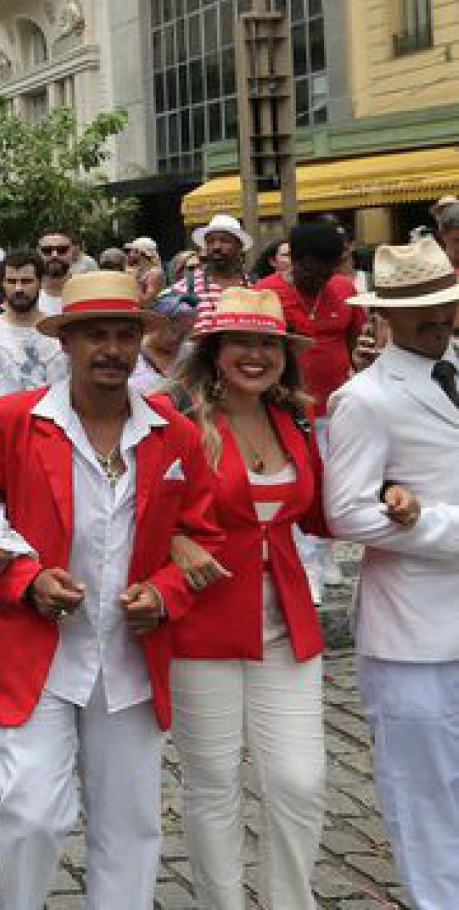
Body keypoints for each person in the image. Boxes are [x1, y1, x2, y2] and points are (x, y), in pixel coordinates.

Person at [0, 271, 222, 910]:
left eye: (125, 335)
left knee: (131, 824)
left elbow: (201, 534)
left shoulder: (170, 432)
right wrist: (26, 577)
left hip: (126, 658)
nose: (113, 349)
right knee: (33, 813)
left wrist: (167, 594)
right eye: (96, 334)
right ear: (65, 342)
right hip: (39, 655)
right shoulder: (13, 421)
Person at [155, 288, 331, 910]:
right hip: (203, 627)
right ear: (214, 351)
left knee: (299, 781)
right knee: (212, 787)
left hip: (287, 625)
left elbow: (321, 510)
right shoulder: (171, 417)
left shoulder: (294, 418)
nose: (255, 355)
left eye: (268, 344)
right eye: (241, 342)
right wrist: (174, 539)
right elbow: (127, 500)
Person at [323, 235, 459, 907]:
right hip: (412, 637)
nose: (439, 319)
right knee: (424, 797)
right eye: (423, 310)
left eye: (447, 304)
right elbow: (346, 513)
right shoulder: (365, 398)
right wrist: (442, 528)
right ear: (386, 316)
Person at [260, 219, 367, 597]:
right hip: (288, 410)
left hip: (338, 410)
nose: (325, 277)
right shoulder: (267, 294)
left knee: (333, 487)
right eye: (317, 268)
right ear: (296, 261)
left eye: (332, 268)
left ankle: (325, 556)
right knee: (300, 488)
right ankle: (305, 566)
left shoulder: (343, 290)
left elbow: (358, 346)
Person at [0, 250, 67, 419]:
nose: (18, 288)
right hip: (4, 436)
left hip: (54, 433)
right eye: (12, 281)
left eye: (26, 281)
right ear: (3, 284)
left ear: (40, 282)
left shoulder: (60, 332)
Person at [182, 214, 254, 320]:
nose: (216, 247)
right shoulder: (186, 287)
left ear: (240, 246)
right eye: (210, 242)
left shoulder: (254, 286)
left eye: (224, 241)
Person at [129, 290, 199, 395]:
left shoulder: (191, 354)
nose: (175, 338)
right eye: (172, 329)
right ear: (155, 323)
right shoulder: (131, 353)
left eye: (184, 333)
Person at [35, 232, 77, 315]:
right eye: (47, 250)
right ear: (38, 252)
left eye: (62, 250)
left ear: (73, 251)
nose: (54, 255)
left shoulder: (86, 290)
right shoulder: (26, 291)